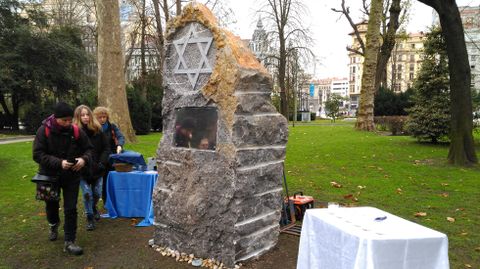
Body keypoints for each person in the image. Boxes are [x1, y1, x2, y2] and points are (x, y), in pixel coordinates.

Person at [33, 102, 93, 256]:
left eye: (69, 120)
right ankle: (53, 224)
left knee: (70, 208)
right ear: (56, 118)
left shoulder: (76, 131)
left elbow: (89, 149)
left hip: (71, 176)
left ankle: (69, 241)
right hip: (48, 175)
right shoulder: (43, 131)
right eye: (64, 120)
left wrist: (83, 160)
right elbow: (37, 154)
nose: (68, 123)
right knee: (51, 206)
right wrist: (59, 163)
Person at [73, 105, 110, 231]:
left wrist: (102, 163)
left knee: (97, 193)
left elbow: (106, 148)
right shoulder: (74, 132)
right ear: (78, 117)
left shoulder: (98, 130)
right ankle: (89, 217)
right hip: (82, 170)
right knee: (87, 194)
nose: (85, 117)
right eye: (82, 115)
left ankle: (93, 207)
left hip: (98, 169)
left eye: (87, 114)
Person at [92, 106, 125, 203]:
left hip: (111, 158)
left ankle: (109, 200)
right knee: (98, 182)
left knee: (110, 180)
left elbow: (120, 136)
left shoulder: (112, 127)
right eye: (100, 117)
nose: (102, 119)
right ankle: (97, 201)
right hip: (98, 159)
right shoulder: (93, 128)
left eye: (104, 117)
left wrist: (119, 145)